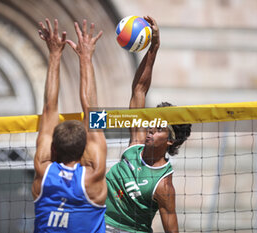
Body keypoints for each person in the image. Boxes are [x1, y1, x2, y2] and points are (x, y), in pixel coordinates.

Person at [104, 16, 192, 233]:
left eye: (159, 128)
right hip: (98, 224)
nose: (151, 128)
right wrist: (153, 47)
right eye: (153, 123)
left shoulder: (163, 185)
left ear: (171, 140)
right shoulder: (136, 144)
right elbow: (139, 90)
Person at [32, 18, 107, 233]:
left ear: (53, 149)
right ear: (84, 150)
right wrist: (86, 58)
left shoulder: (43, 171)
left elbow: (49, 109)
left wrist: (55, 55)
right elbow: (92, 109)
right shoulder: (93, 176)